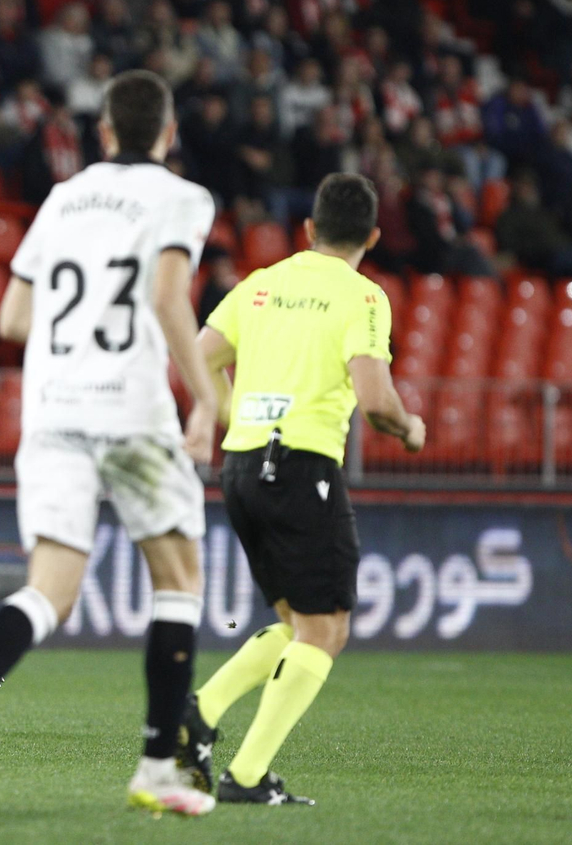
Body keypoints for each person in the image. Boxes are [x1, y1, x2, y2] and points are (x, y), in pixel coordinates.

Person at [0, 71, 219, 818]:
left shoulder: (63, 198)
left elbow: (14, 318)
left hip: (54, 408)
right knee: (179, 578)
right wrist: (208, 396)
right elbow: (167, 296)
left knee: (49, 588)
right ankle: (157, 766)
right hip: (131, 405)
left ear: (104, 132)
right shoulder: (182, 197)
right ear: (169, 133)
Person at [182, 173, 426, 806]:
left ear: (310, 229)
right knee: (327, 630)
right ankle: (246, 775)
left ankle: (198, 715)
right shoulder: (363, 296)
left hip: (242, 469)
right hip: (301, 467)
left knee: (298, 624)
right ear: (373, 236)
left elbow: (198, 356)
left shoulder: (260, 284)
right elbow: (376, 401)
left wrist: (235, 415)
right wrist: (410, 428)